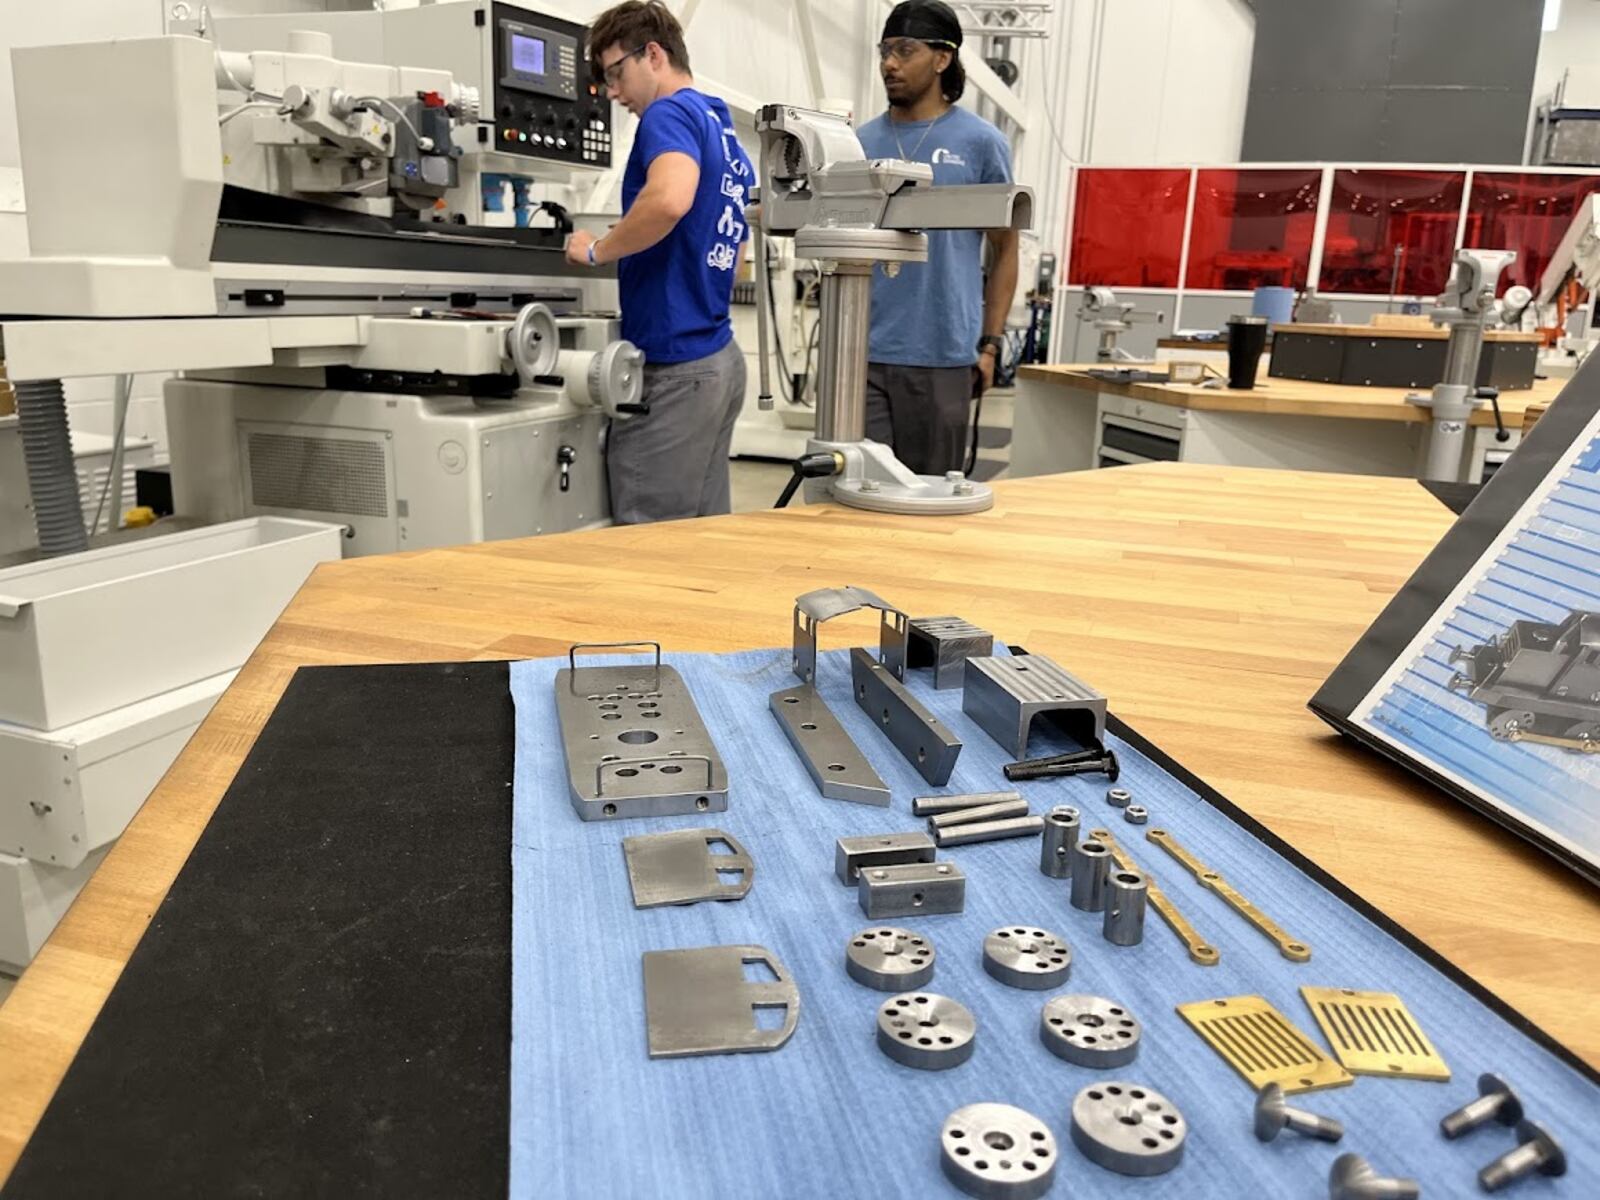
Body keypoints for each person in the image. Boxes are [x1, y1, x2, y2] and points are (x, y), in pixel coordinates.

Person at [566, 1, 753, 524]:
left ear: (652, 54)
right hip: (719, 360)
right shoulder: (720, 125)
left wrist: (597, 249)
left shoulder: (667, 114)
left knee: (648, 545)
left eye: (614, 72)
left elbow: (670, 199)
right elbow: (736, 248)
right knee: (700, 534)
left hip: (677, 370)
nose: (612, 92)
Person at [856, 0, 1020, 475]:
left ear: (942, 58)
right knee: (858, 496)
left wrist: (990, 344)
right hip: (862, 352)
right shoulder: (859, 144)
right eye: (885, 50)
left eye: (905, 50)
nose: (889, 63)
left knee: (931, 500)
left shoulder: (981, 143)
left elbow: (1005, 247)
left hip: (943, 353)